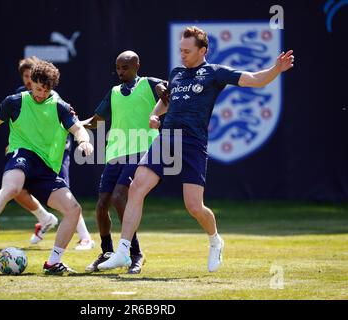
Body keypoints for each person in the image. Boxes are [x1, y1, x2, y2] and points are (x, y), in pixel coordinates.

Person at [98, 26, 294, 273]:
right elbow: (166, 100)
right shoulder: (177, 73)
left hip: (193, 143)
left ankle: (215, 240)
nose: (182, 55)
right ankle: (124, 251)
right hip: (166, 138)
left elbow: (254, 79)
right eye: (180, 50)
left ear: (203, 50)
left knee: (193, 206)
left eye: (187, 51)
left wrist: (276, 69)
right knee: (137, 187)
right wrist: (155, 114)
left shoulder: (215, 73)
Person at [0, 60, 94, 274]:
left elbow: (78, 128)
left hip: (46, 169)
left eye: (46, 90)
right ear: (30, 82)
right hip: (22, 155)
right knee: (13, 188)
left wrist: (84, 141)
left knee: (73, 210)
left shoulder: (59, 106)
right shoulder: (14, 102)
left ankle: (53, 263)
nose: (41, 94)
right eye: (38, 88)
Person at [0, 56, 95, 249]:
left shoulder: (52, 97)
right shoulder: (20, 97)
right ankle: (45, 219)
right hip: (30, 155)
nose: (29, 81)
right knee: (17, 190)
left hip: (56, 151)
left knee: (66, 197)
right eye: (26, 76)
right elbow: (21, 127)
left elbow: (70, 122)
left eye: (32, 76)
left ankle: (85, 237)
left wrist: (83, 136)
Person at [81, 50, 167, 274]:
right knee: (101, 206)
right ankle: (107, 251)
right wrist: (73, 123)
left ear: (137, 65)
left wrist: (164, 91)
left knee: (120, 197)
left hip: (142, 150)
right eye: (118, 67)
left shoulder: (149, 83)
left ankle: (135, 253)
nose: (120, 71)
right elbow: (95, 120)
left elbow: (169, 91)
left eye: (125, 67)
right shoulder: (114, 92)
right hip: (115, 153)